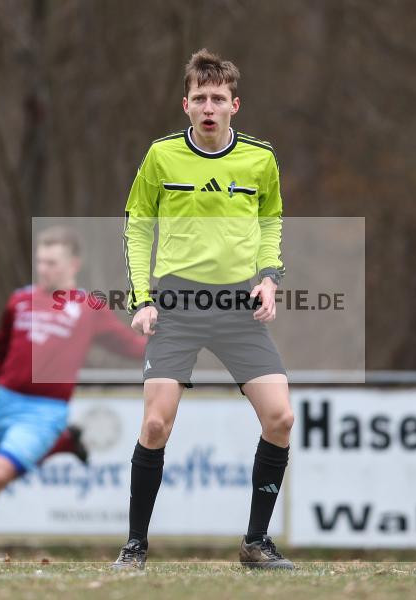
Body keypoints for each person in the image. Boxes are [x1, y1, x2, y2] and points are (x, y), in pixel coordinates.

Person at [113, 49, 293, 570]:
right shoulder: (162, 156)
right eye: (200, 99)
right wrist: (142, 299)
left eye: (218, 99)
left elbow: (271, 222)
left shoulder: (259, 159)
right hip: (176, 305)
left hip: (238, 307)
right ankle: (135, 546)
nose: (208, 107)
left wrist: (269, 278)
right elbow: (137, 225)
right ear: (185, 105)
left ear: (235, 105)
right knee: (155, 425)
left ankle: (256, 543)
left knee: (281, 418)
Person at [0, 226, 146, 554]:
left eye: (52, 263)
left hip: (45, 411)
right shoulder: (20, 300)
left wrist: (172, 341)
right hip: (5, 402)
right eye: (40, 261)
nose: (43, 269)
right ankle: (64, 443)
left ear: (73, 265)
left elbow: (132, 346)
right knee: (1, 475)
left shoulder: (88, 308)